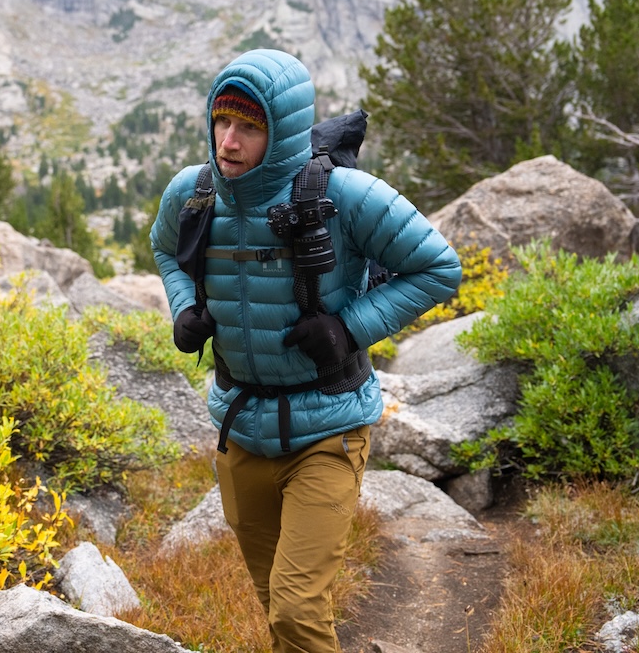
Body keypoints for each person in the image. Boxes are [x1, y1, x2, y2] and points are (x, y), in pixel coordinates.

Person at [150, 49, 462, 653]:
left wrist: (349, 329)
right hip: (240, 431)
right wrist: (184, 306)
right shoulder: (192, 194)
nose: (228, 142)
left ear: (283, 130)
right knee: (281, 609)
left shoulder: (342, 196)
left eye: (250, 127)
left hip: (328, 429)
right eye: (222, 121)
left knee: (294, 611)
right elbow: (165, 249)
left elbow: (438, 268)